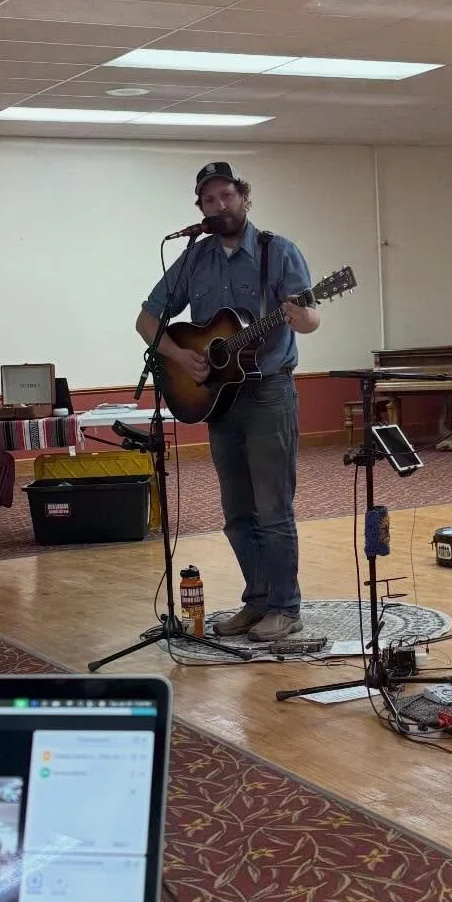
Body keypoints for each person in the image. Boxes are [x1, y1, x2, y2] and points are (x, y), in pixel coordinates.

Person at [134, 160, 319, 643]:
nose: (220, 205)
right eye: (210, 200)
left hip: (269, 392)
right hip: (220, 398)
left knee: (273, 510)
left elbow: (309, 321)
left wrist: (300, 316)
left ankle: (286, 607)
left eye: (228, 196)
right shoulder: (195, 258)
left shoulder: (276, 251)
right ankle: (256, 603)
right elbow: (147, 320)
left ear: (244, 197)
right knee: (237, 512)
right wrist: (181, 356)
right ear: (201, 207)